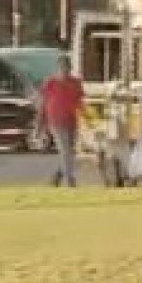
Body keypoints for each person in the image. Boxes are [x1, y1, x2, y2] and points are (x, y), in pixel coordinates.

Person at [37, 55, 85, 187]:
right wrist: (39, 127)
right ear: (57, 68)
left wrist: (87, 119)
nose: (64, 70)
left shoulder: (76, 83)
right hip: (56, 122)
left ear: (70, 68)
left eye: (67, 67)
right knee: (65, 151)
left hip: (71, 121)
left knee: (69, 152)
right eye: (62, 67)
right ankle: (70, 181)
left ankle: (56, 177)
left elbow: (80, 103)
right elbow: (42, 105)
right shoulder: (50, 83)